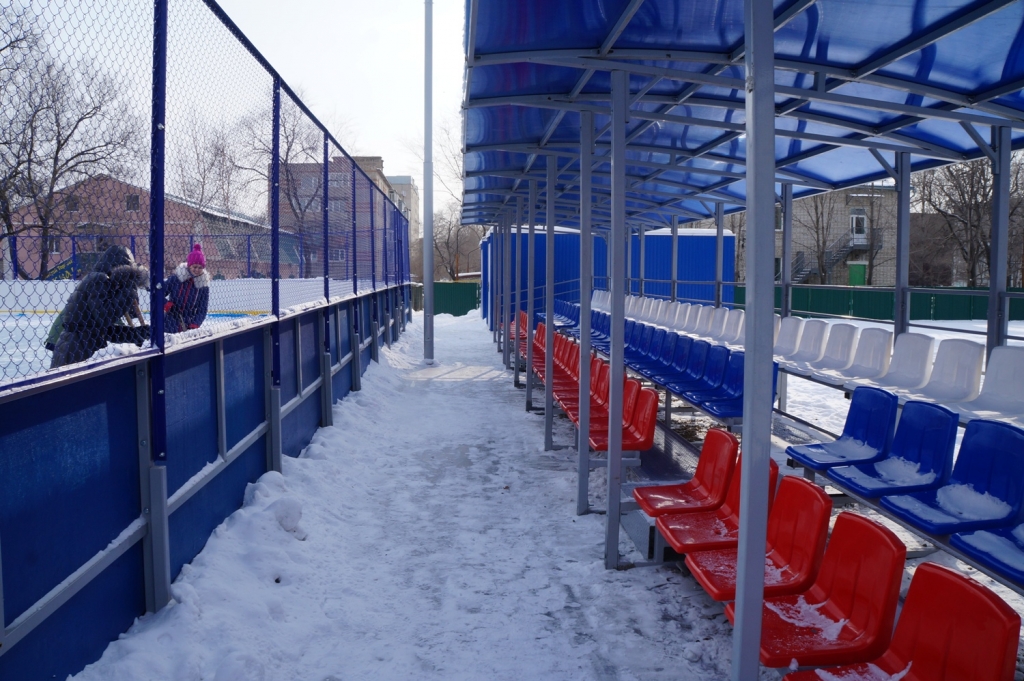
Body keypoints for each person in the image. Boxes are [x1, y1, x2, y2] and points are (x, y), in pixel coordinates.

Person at [50, 245, 150, 368]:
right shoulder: (99, 279)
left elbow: (103, 329)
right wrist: (128, 292)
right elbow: (105, 317)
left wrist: (134, 334)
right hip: (77, 349)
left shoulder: (100, 280)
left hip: (79, 346)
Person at [163, 243, 210, 333]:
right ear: (189, 266)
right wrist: (169, 306)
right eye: (194, 267)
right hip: (169, 320)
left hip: (188, 323)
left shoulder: (203, 286)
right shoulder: (176, 279)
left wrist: (195, 324)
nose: (197, 270)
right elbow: (159, 294)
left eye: (200, 267)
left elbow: (202, 309)